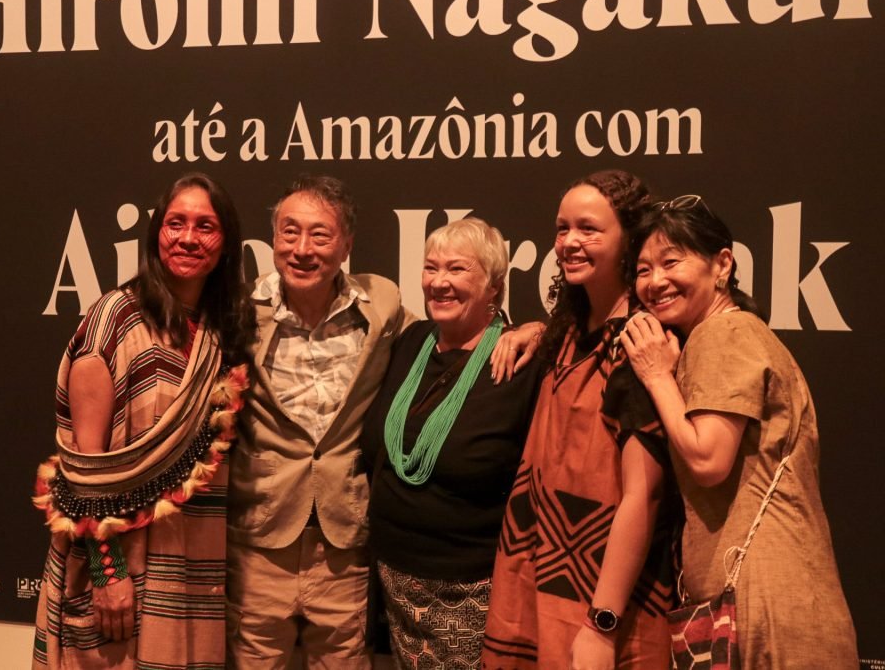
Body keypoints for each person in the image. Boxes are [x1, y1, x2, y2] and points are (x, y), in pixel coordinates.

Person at [226, 175, 537, 669]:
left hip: (346, 544)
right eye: (290, 232)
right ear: (273, 238)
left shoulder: (382, 307)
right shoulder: (239, 311)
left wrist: (535, 329)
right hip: (263, 539)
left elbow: (470, 331)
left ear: (346, 244)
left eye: (320, 235)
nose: (302, 248)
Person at [621, 195, 858, 669]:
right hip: (782, 602)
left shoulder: (722, 334)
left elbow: (707, 459)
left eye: (672, 261)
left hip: (765, 608)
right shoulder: (732, 332)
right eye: (644, 270)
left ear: (722, 264)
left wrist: (656, 375)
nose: (655, 281)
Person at [31, 172, 255, 669]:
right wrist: (107, 573)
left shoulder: (222, 331)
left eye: (205, 226)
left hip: (190, 570)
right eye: (176, 223)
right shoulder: (114, 318)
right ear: (157, 233)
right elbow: (85, 470)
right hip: (117, 566)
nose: (188, 238)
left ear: (226, 243)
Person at [483, 170, 680, 669]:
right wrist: (535, 329)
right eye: (562, 228)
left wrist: (601, 624)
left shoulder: (639, 343)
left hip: (603, 602)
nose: (569, 241)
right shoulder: (569, 329)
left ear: (629, 239)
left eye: (589, 229)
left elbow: (645, 495)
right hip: (540, 581)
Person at [358, 217, 546, 668]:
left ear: (494, 285)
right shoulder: (412, 341)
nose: (439, 282)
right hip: (393, 578)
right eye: (431, 267)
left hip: (469, 591)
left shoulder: (521, 361)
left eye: (457, 269)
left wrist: (540, 329)